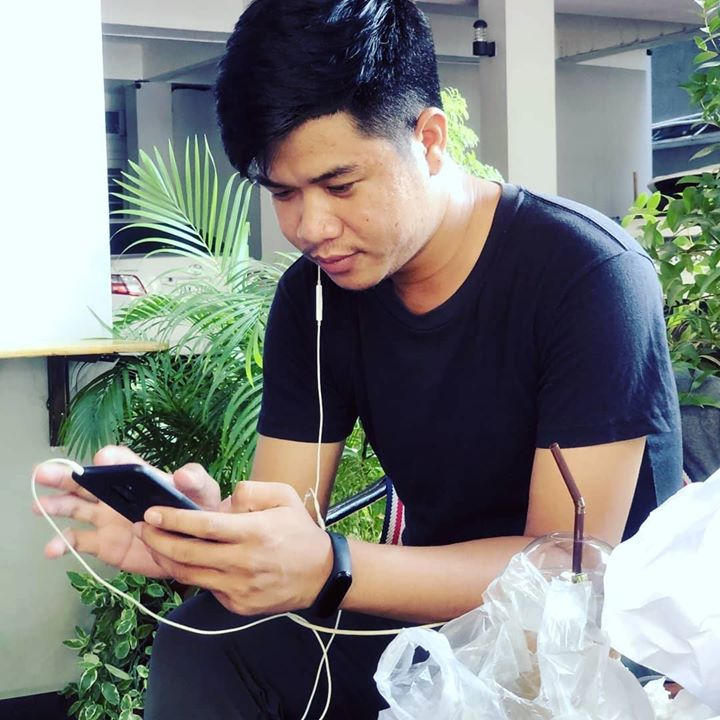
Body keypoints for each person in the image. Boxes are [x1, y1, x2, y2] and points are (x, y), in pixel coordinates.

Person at [33, 0, 682, 717]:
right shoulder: (314, 298)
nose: (310, 227)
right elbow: (287, 518)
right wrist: (206, 542)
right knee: (207, 637)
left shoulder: (587, 276)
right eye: (283, 192)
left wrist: (331, 566)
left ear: (428, 140)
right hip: (435, 630)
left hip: (594, 652)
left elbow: (565, 572)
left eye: (340, 185)